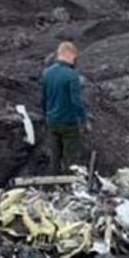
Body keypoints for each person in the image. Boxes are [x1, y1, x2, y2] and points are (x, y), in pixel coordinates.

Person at [40, 41, 88, 173]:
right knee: (71, 159)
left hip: (52, 121)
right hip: (69, 123)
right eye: (74, 57)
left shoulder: (46, 73)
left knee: (55, 158)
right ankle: (70, 188)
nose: (75, 60)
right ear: (69, 54)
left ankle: (54, 187)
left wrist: (46, 117)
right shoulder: (71, 75)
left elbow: (43, 99)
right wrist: (84, 121)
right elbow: (76, 102)